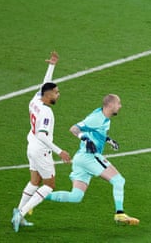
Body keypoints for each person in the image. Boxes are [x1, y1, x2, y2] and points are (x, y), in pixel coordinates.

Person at [45, 94, 140, 225]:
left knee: (76, 196)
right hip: (89, 156)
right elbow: (74, 128)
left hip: (80, 159)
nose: (120, 106)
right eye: (118, 103)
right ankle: (120, 214)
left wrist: (109, 140)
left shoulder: (104, 117)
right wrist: (84, 138)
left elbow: (98, 132)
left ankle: (38, 196)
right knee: (118, 180)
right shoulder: (96, 118)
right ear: (111, 105)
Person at [12, 51, 71, 232]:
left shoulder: (35, 100)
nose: (58, 95)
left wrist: (52, 65)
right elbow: (42, 135)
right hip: (41, 149)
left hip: (31, 147)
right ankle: (21, 213)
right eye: (56, 92)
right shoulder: (46, 112)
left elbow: (44, 84)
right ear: (48, 95)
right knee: (49, 185)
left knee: (34, 180)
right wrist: (59, 151)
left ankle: (17, 213)